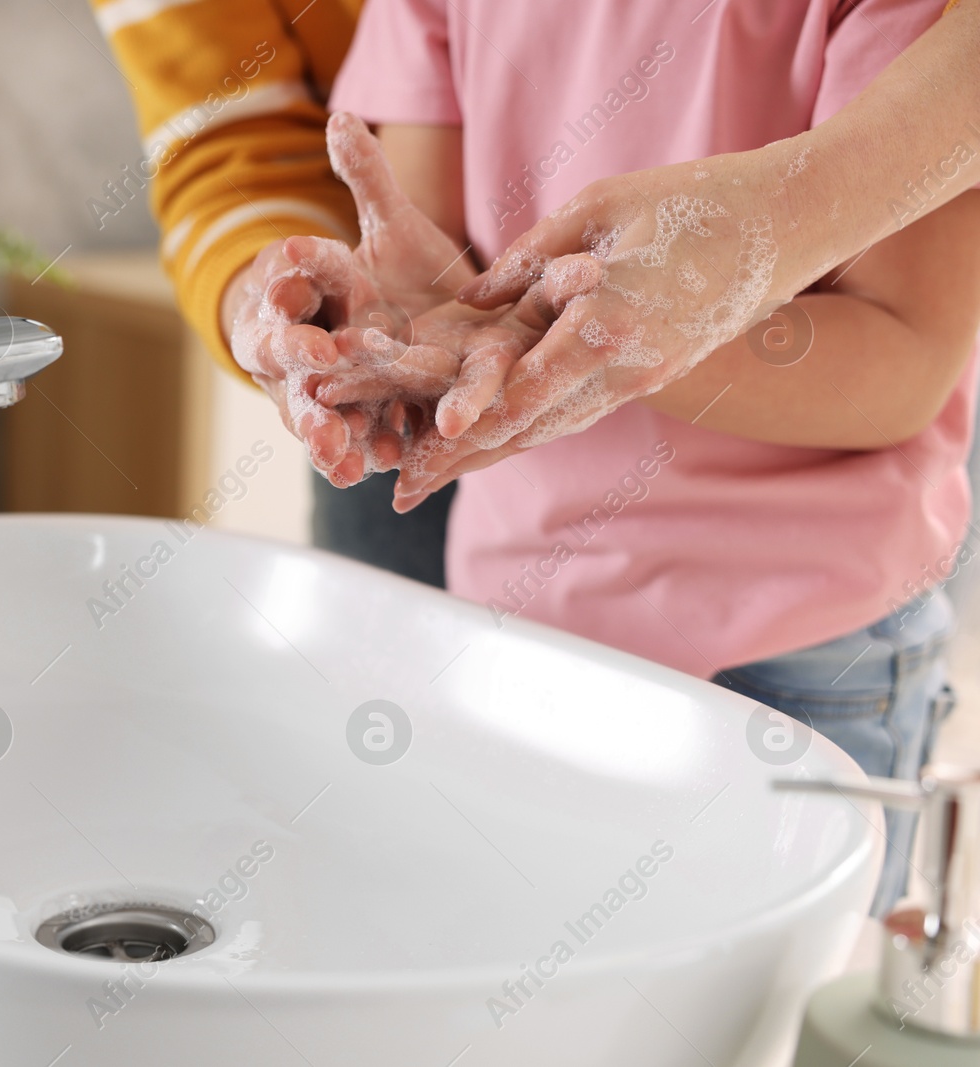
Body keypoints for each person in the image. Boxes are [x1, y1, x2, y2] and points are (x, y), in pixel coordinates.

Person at [258, 0, 980, 916]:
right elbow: (442, 276)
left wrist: (612, 336)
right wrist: (402, 333)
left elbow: (903, 360)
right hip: (516, 625)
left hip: (799, 650)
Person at [91, 0, 463, 586]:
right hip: (401, 374)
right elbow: (232, 139)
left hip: (452, 364)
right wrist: (281, 304)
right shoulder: (416, 19)